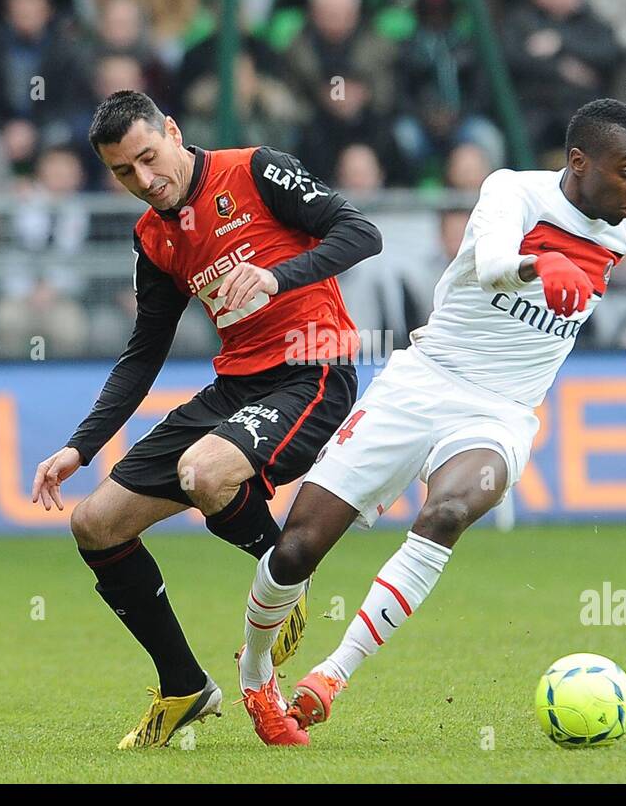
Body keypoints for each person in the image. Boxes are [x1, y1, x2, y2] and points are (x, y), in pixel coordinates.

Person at [234, 98, 626, 745]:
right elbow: (489, 266)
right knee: (296, 550)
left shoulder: (619, 232)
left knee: (448, 513)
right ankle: (257, 676)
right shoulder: (512, 191)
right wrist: (543, 265)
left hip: (502, 411)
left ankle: (333, 677)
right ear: (579, 162)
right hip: (421, 382)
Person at [29, 90, 382, 748]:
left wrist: (278, 277)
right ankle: (183, 685)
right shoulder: (153, 238)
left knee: (203, 471)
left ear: (172, 130)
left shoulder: (255, 170)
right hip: (237, 388)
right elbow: (144, 353)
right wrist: (80, 446)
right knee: (95, 524)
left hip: (314, 370)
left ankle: (285, 571)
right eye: (123, 172)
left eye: (148, 158)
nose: (143, 180)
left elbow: (361, 233)